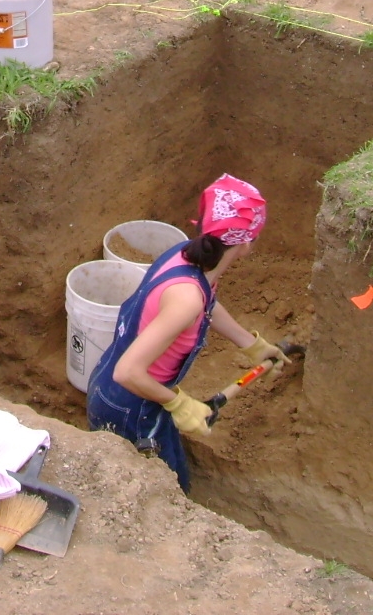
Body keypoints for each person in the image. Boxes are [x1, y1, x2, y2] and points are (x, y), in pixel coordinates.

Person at [86, 174, 288, 492]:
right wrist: (181, 405)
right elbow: (129, 372)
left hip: (108, 381)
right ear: (246, 243)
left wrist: (252, 345)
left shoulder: (186, 256)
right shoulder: (186, 299)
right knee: (167, 491)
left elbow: (206, 302)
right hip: (132, 406)